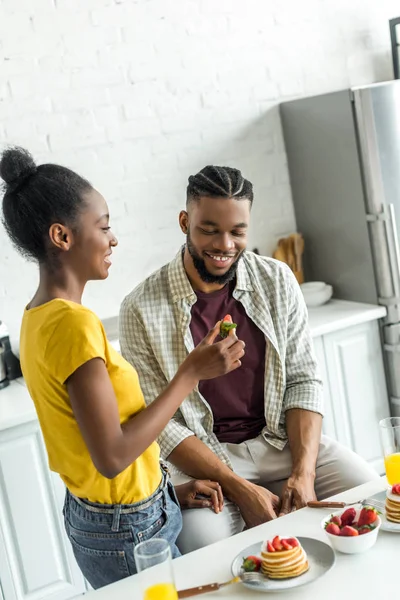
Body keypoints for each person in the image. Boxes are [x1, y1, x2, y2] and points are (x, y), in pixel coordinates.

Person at [0, 148, 245, 589]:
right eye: (104, 225)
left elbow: (98, 444)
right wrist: (190, 373)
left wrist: (165, 492)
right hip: (125, 530)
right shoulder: (72, 325)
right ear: (62, 235)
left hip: (120, 515)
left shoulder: (36, 317)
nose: (113, 239)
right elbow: (112, 456)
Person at [119, 165, 380, 554]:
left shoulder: (276, 279)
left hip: (283, 442)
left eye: (237, 231)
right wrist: (241, 490)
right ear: (184, 221)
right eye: (209, 229)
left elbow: (303, 380)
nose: (224, 244)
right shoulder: (140, 307)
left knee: (372, 498)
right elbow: (165, 427)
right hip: (210, 463)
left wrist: (303, 473)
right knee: (206, 550)